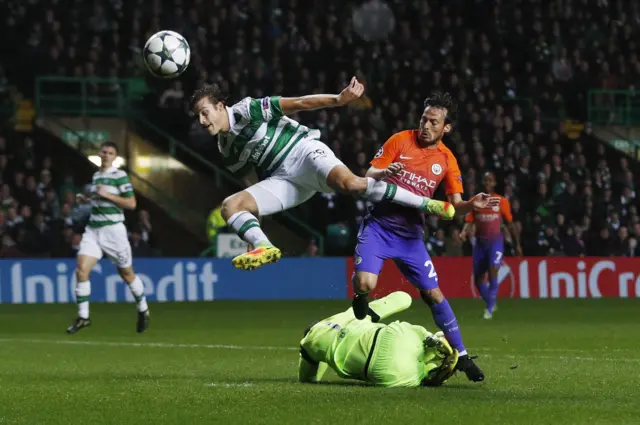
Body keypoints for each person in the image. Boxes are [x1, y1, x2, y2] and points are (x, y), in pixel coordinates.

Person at [190, 78, 455, 271]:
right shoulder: (225, 148)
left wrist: (339, 100)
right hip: (284, 178)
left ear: (221, 106)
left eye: (205, 113)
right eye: (198, 116)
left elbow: (299, 103)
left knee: (352, 184)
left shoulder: (247, 110)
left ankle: (428, 203)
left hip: (305, 152)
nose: (202, 121)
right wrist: (252, 235)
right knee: (231, 206)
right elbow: (250, 183)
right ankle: (265, 246)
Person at [351, 92, 499, 383]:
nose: (426, 126)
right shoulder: (399, 140)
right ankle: (361, 296)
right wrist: (383, 172)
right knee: (365, 283)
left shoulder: (447, 160)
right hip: (379, 226)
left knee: (433, 293)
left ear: (446, 128)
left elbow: (453, 207)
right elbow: (369, 172)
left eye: (434, 122)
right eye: (424, 119)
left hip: (410, 237)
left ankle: (463, 356)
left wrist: (472, 204)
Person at [66, 141, 150, 334]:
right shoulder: (97, 176)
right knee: (81, 270)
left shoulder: (120, 176)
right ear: (99, 153)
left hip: (114, 232)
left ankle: (143, 308)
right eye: (103, 152)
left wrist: (107, 196)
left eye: (110, 153)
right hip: (93, 230)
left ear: (114, 156)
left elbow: (131, 203)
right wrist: (87, 200)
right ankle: (83, 317)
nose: (106, 155)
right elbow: (100, 200)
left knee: (127, 274)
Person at [298, 291, 459, 388]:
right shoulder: (352, 314)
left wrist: (318, 358)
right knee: (412, 334)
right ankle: (433, 341)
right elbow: (402, 298)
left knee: (414, 373)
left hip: (380, 371)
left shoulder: (309, 344)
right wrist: (406, 297)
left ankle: (429, 373)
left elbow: (308, 379)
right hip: (389, 338)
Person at [460, 171, 522, 319]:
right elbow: (469, 221)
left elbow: (510, 224)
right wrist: (463, 233)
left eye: (490, 181)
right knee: (478, 279)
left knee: (493, 270)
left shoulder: (501, 201)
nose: (488, 183)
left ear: (494, 183)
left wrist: (517, 244)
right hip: (480, 244)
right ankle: (491, 303)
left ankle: (488, 310)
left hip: (495, 242)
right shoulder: (476, 200)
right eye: (485, 180)